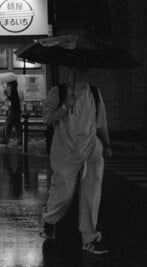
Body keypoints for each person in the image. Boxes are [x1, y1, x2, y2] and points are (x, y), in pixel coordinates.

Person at [40, 67, 112, 256]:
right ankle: (50, 219)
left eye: (86, 69)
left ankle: (90, 238)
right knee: (64, 192)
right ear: (71, 72)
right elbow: (47, 119)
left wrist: (107, 145)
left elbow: (101, 122)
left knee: (92, 194)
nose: (83, 73)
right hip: (65, 149)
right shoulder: (58, 92)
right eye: (79, 69)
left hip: (91, 149)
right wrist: (64, 106)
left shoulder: (94, 94)